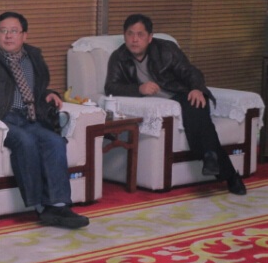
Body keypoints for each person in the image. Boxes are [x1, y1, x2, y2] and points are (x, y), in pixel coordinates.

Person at [0, 11, 90, 229]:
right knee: (25, 141)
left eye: (14, 31)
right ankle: (41, 207)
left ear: (24, 35)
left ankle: (60, 205)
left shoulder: (34, 55)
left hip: (30, 116)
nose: (8, 36)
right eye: (3, 31)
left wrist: (49, 94)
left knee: (54, 142)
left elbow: (36, 88)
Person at [104, 13, 246, 195]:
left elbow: (190, 72)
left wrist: (196, 88)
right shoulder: (119, 57)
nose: (134, 40)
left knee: (197, 105)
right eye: (130, 34)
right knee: (201, 125)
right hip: (159, 104)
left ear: (150, 37)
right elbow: (111, 86)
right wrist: (139, 89)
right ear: (124, 35)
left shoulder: (166, 49)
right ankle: (225, 170)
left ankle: (211, 157)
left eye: (140, 34)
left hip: (180, 94)